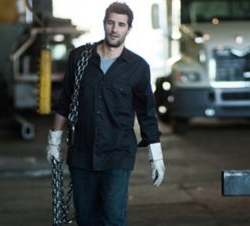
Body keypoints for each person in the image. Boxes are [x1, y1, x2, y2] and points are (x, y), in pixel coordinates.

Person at [45, 2, 165, 225]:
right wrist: (54, 139)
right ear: (104, 24)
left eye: (121, 24)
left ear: (128, 29)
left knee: (113, 218)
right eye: (111, 23)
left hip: (117, 154)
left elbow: (147, 113)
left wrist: (155, 155)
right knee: (87, 219)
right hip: (82, 153)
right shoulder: (79, 58)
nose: (114, 29)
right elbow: (65, 101)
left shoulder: (138, 67)